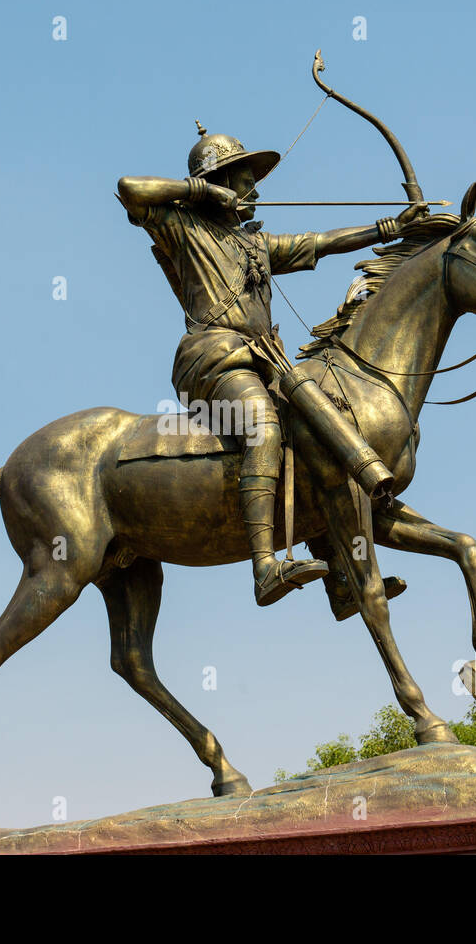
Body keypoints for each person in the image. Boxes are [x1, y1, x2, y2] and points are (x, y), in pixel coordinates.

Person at [117, 124, 426, 607]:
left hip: (266, 360)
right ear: (218, 183)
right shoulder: (183, 228)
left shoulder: (254, 246)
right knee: (262, 425)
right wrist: (204, 192)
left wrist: (388, 228)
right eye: (242, 180)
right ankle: (265, 568)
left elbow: (322, 242)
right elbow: (129, 188)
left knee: (320, 433)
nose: (254, 191)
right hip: (214, 359)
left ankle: (342, 581)